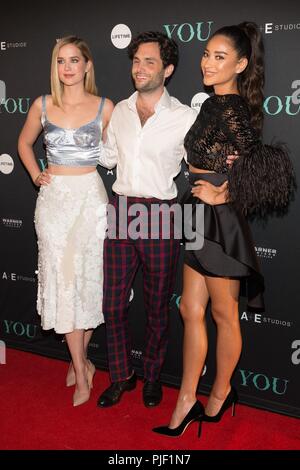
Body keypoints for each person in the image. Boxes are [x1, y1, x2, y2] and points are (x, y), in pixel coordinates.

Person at [152, 22, 294, 437]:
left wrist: (222, 195)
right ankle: (186, 398)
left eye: (220, 57)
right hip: (197, 213)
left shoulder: (231, 107)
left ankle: (219, 394)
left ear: (241, 64)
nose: (208, 63)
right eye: (206, 55)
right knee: (190, 309)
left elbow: (265, 170)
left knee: (223, 313)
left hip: (217, 219)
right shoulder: (212, 104)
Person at [95, 31, 199, 409]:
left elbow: (199, 165)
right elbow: (107, 158)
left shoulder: (185, 117)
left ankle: (153, 375)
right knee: (112, 304)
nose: (139, 68)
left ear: (167, 69)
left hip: (161, 214)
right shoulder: (120, 110)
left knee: (157, 305)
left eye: (149, 62)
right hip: (121, 210)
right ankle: (122, 374)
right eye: (136, 60)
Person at [18, 36, 114, 406]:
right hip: (54, 201)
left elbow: (117, 152)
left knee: (87, 284)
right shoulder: (42, 105)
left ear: (87, 65)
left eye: (75, 60)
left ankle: (81, 362)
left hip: (90, 199)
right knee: (63, 282)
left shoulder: (106, 107)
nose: (68, 67)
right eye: (62, 61)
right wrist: (34, 173)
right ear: (55, 67)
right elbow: (23, 144)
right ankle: (82, 369)